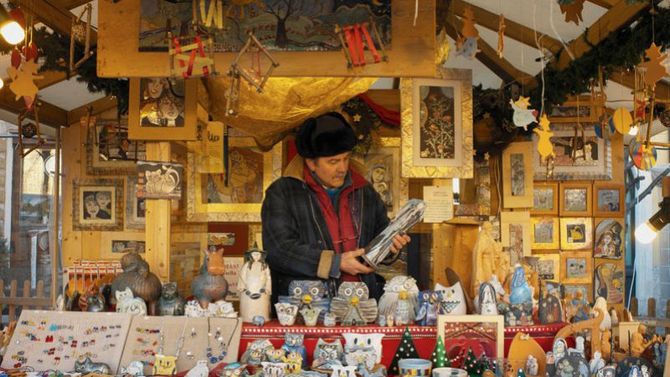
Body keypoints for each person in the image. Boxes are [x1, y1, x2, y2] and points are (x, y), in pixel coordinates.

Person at [261, 112, 410, 303]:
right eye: (333, 161)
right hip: (307, 310)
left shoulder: (364, 191)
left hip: (363, 305)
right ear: (311, 163)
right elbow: (279, 250)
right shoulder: (282, 193)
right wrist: (335, 263)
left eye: (346, 158)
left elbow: (380, 236)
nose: (343, 168)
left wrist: (391, 247)